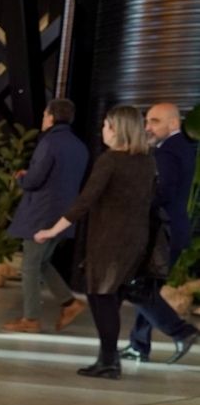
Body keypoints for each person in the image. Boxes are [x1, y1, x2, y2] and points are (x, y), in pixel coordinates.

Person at [34, 106, 157, 379]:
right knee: (107, 298)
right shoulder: (147, 161)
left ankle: (109, 361)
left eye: (106, 125)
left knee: (101, 297)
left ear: (117, 129)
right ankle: (107, 358)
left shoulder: (110, 160)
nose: (103, 130)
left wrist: (52, 230)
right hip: (135, 238)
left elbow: (85, 201)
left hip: (109, 239)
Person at [123, 102, 199, 363]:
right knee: (148, 288)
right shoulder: (180, 148)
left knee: (139, 288)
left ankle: (182, 332)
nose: (147, 127)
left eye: (154, 121)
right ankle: (139, 345)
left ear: (174, 123)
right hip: (172, 229)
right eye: (147, 121)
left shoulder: (167, 152)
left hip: (163, 232)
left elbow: (162, 192)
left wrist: (134, 204)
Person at [4, 98, 88, 332]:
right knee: (41, 263)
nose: (43, 119)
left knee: (30, 266)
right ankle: (70, 303)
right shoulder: (79, 146)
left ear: (51, 117)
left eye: (44, 115)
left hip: (41, 214)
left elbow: (36, 179)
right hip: (63, 215)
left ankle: (31, 319)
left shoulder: (49, 142)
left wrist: (22, 178)